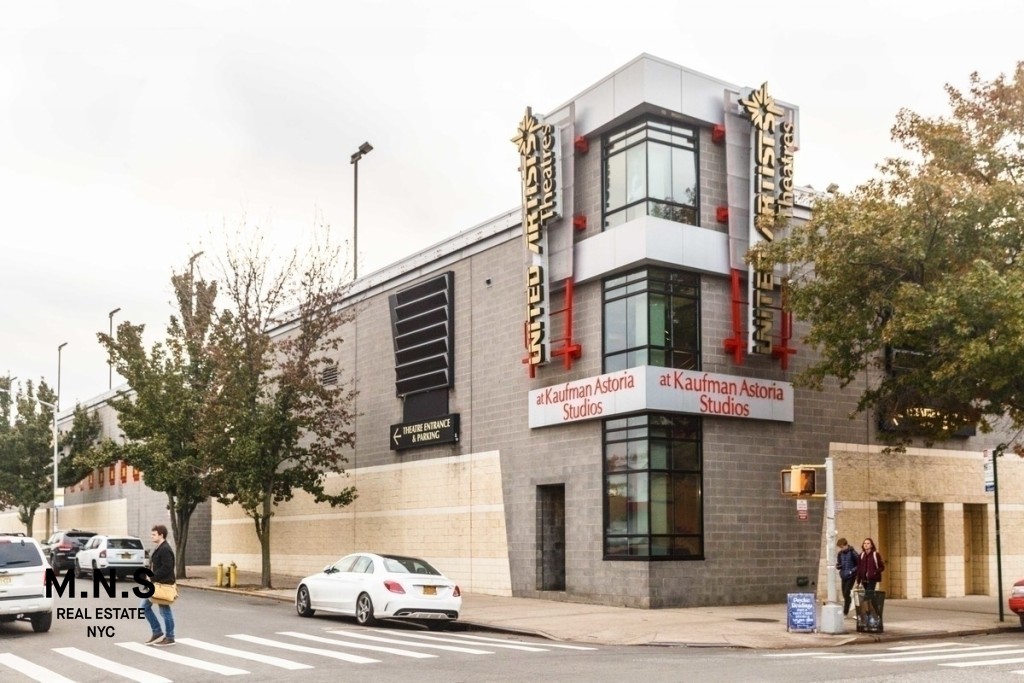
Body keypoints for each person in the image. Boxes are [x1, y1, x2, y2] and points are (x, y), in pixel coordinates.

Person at [141, 524, 176, 646]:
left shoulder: (165, 549)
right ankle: (157, 631)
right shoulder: (160, 547)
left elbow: (167, 567)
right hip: (156, 584)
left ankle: (169, 637)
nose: (151, 536)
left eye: (154, 534)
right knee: (144, 607)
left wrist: (152, 576)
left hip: (163, 585)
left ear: (161, 535)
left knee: (165, 611)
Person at [835, 537, 859, 617]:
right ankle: (849, 602)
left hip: (851, 576)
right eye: (840, 547)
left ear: (846, 545)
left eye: (842, 547)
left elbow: (859, 564)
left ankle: (845, 611)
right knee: (844, 594)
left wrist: (852, 571)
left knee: (846, 592)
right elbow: (839, 563)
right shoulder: (840, 554)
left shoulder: (853, 552)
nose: (841, 549)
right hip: (843, 575)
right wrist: (838, 566)